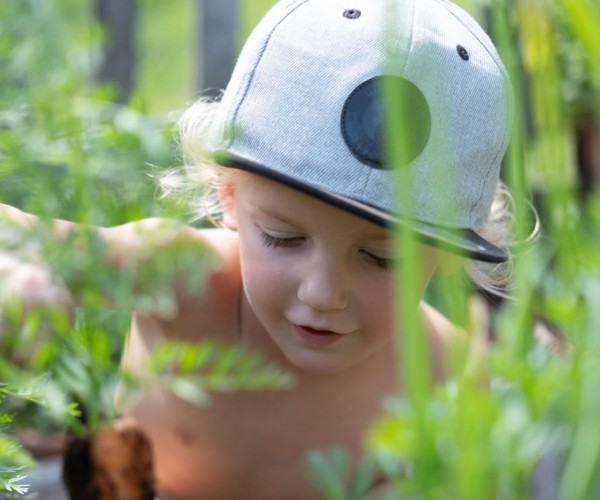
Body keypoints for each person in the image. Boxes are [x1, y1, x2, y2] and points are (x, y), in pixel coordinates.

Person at [0, 0, 516, 497]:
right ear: (228, 194)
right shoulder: (178, 275)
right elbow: (23, 235)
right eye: (283, 237)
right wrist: (20, 270)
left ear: (450, 252)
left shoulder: (448, 374)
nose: (323, 292)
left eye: (382, 258)